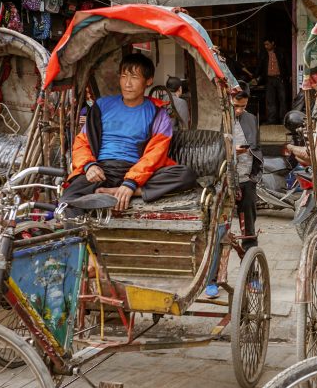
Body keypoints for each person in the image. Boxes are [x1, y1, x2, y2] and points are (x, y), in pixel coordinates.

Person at [64, 53, 196, 213]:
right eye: (123, 76)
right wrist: (89, 165)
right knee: (68, 202)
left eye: (134, 77)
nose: (127, 83)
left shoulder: (157, 113)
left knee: (185, 175)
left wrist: (131, 183)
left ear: (148, 81)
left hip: (137, 170)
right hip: (101, 170)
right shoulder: (102, 106)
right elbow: (82, 142)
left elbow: (155, 154)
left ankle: (127, 192)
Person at [206, 82, 263, 298]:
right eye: (236, 106)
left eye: (243, 106)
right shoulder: (218, 118)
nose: (239, 111)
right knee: (219, 231)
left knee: (249, 231)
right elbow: (210, 150)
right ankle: (212, 279)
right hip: (223, 182)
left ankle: (252, 276)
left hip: (246, 180)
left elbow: (257, 147)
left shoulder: (250, 119)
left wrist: (254, 173)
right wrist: (230, 152)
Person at [258, 38, 289, 124]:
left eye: (267, 44)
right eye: (265, 45)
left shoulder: (281, 52)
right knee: (270, 101)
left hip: (280, 78)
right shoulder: (264, 54)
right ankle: (271, 120)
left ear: (273, 43)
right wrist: (255, 76)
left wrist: (289, 75)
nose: (266, 46)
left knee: (283, 99)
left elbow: (287, 63)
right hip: (269, 79)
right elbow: (260, 65)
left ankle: (283, 120)